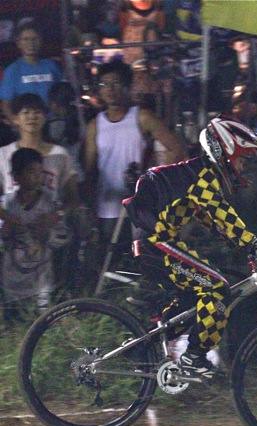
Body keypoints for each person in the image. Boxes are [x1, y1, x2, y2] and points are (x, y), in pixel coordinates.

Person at [122, 116, 257, 381]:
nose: (243, 166)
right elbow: (222, 213)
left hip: (157, 243)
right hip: (157, 244)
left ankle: (143, 346)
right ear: (225, 152)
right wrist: (253, 244)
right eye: (242, 159)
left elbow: (212, 220)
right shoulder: (203, 178)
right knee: (216, 288)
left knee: (195, 299)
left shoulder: (196, 176)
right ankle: (194, 357)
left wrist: (242, 246)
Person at [83, 60, 187, 258]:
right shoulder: (94, 126)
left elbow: (176, 149)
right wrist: (89, 206)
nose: (110, 89)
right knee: (114, 261)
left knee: (146, 259)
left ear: (127, 86)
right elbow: (90, 170)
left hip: (141, 205)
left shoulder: (142, 117)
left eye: (115, 83)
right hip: (108, 207)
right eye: (105, 84)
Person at [0, 147, 69, 317]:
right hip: (11, 278)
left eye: (40, 171)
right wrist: (6, 232)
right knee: (14, 320)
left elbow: (63, 236)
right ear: (16, 176)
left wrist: (47, 234)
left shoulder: (49, 204)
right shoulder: (8, 205)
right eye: (31, 171)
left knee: (41, 319)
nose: (38, 176)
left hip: (41, 279)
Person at [0, 21, 64, 125]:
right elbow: (6, 104)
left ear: (40, 41)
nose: (31, 43)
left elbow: (62, 95)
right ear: (19, 43)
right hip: (27, 124)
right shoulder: (13, 70)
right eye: (26, 39)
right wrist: (17, 125)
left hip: (52, 123)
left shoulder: (51, 66)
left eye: (34, 39)